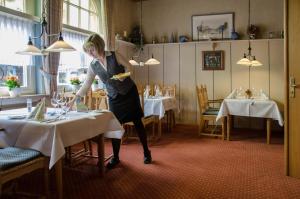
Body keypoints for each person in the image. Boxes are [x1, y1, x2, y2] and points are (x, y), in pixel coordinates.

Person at [68, 33, 152, 169]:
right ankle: (116, 157)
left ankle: (146, 152)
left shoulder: (114, 55)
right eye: (88, 51)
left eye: (92, 49)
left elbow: (129, 68)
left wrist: (122, 77)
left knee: (137, 122)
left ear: (99, 46)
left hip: (129, 93)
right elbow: (86, 85)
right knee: (115, 127)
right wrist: (74, 100)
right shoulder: (93, 65)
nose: (90, 53)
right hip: (114, 98)